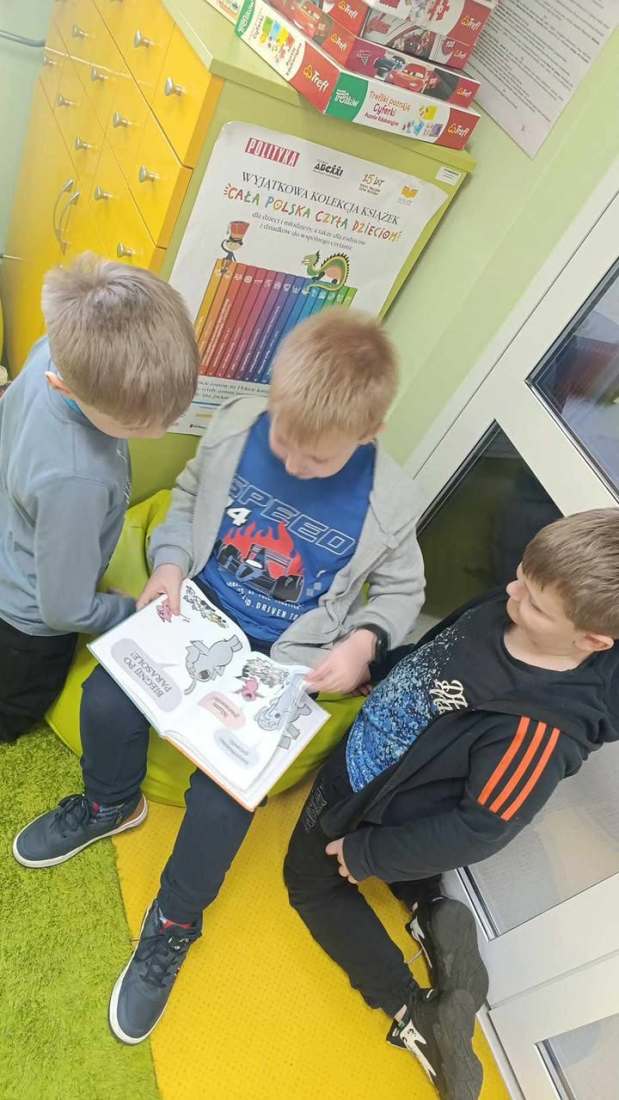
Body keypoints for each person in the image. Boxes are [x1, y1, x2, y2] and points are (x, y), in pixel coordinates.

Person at [13, 309, 426, 1044]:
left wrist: (364, 643)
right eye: (283, 441)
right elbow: (186, 497)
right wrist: (170, 561)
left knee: (225, 800)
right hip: (196, 615)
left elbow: (402, 590)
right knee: (105, 698)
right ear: (271, 399)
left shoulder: (389, 502)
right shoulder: (238, 424)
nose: (293, 465)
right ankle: (111, 805)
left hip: (284, 662)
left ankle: (175, 921)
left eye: (316, 459)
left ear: (370, 433)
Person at [283, 509, 619, 1100]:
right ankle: (432, 910)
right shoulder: (508, 608)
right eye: (520, 577)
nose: (512, 594)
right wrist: (380, 670)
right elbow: (436, 653)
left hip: (380, 801)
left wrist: (368, 853)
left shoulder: (540, 732)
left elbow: (480, 828)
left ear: (591, 641)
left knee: (309, 882)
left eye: (535, 603)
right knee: (381, 857)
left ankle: (413, 1011)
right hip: (375, 763)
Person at [0, 253, 199, 744]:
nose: (160, 431)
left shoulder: (54, 348)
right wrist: (125, 612)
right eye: (138, 423)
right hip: (28, 624)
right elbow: (63, 611)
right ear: (65, 387)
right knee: (16, 702)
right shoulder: (78, 479)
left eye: (171, 414)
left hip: (13, 545)